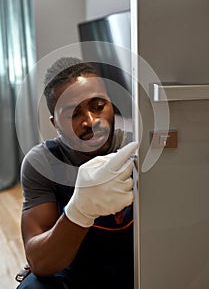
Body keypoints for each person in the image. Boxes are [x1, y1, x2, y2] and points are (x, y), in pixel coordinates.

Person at [17, 57, 137, 289]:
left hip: (137, 264)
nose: (90, 121)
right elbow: (39, 261)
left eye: (98, 106)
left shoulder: (137, 146)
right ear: (55, 124)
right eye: (73, 114)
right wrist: (80, 210)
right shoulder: (43, 163)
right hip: (74, 271)